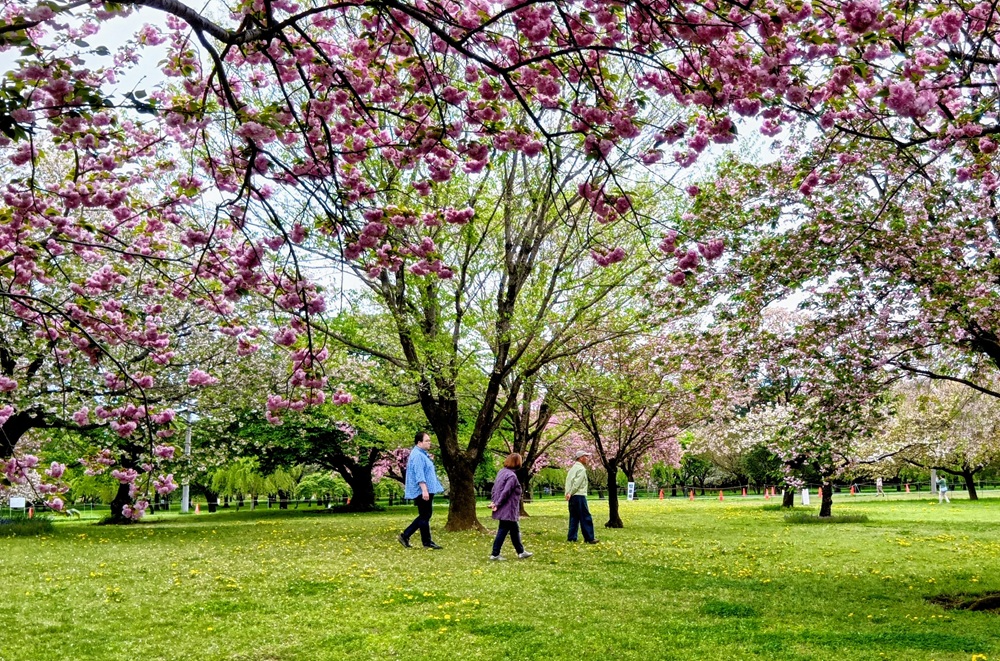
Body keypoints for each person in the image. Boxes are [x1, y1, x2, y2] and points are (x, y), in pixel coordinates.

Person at [398, 432, 445, 550]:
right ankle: (421, 540)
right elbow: (419, 474)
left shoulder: (421, 454)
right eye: (427, 441)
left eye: (429, 440)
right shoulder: (418, 455)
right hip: (422, 490)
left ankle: (409, 536)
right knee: (425, 515)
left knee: (425, 515)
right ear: (419, 442)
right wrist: (424, 490)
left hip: (427, 489)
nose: (430, 443)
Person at [488, 453, 533, 561]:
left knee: (514, 530)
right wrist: (497, 503)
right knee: (503, 529)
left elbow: (495, 488)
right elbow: (506, 492)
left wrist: (494, 501)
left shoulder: (501, 472)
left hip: (505, 507)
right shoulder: (512, 476)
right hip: (508, 508)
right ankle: (495, 554)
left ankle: (521, 552)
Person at [565, 450, 598, 544]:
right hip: (579, 495)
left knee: (574, 517)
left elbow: (568, 481)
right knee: (585, 516)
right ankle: (589, 538)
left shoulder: (572, 469)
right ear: (580, 458)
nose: (587, 458)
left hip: (572, 496)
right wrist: (571, 492)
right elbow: (577, 483)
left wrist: (568, 493)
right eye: (585, 456)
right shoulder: (581, 469)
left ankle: (571, 537)